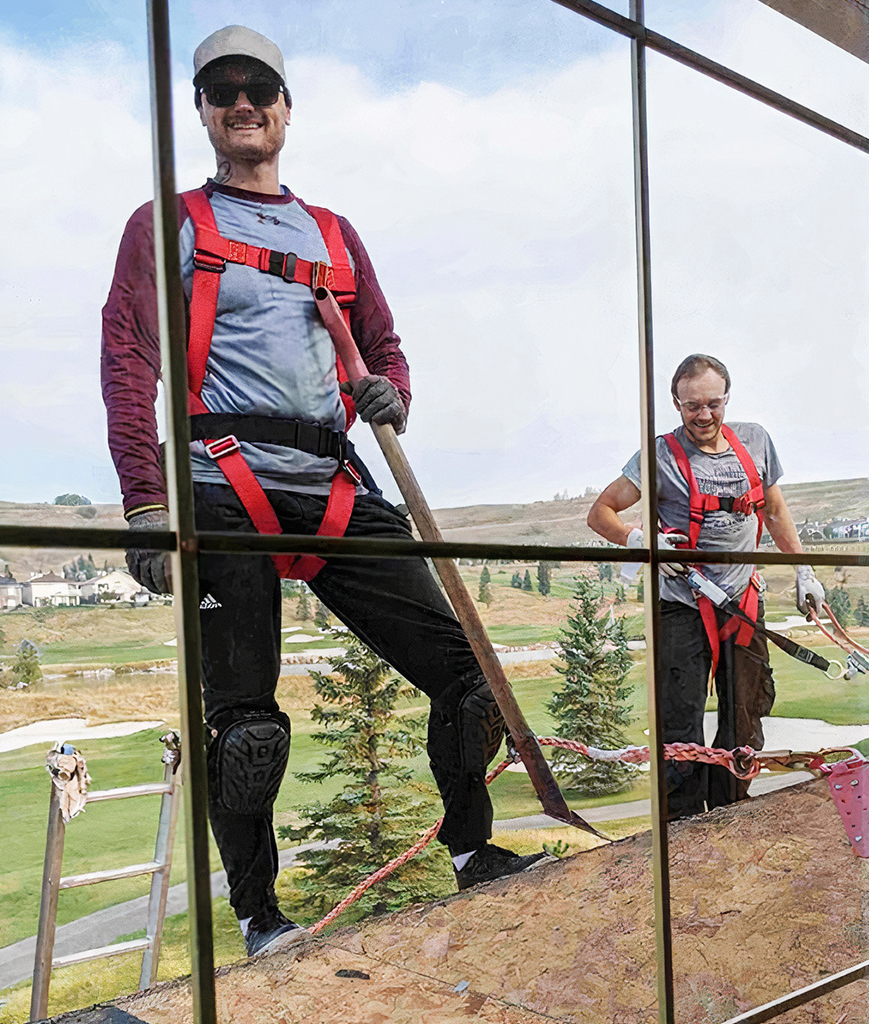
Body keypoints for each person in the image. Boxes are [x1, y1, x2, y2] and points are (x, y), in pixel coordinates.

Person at [101, 25, 545, 957]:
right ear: (204, 113)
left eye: (259, 88)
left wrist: (394, 393)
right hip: (220, 482)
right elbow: (128, 358)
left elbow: (382, 348)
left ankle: (473, 853)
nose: (243, 103)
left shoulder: (335, 235)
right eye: (222, 91)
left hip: (335, 482)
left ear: (288, 109)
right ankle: (264, 921)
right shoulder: (168, 223)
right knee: (247, 725)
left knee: (471, 678)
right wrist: (147, 504)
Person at [587, 353, 825, 817]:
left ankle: (730, 813)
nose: (704, 415)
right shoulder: (658, 457)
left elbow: (774, 511)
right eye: (691, 405)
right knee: (679, 725)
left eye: (713, 404)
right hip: (681, 605)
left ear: (726, 399)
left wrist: (804, 570)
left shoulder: (755, 442)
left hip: (741, 603)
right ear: (676, 404)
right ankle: (681, 829)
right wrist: (642, 540)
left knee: (745, 716)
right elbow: (601, 514)